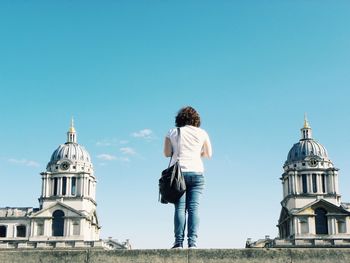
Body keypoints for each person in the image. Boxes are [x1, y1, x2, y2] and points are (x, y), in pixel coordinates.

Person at [163, 106, 212, 249]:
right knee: (194, 208)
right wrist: (196, 154)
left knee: (180, 208)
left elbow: (166, 153)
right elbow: (208, 153)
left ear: (179, 118)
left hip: (178, 174)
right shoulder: (202, 133)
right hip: (197, 172)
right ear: (196, 119)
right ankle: (193, 243)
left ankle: (178, 242)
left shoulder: (172, 132)